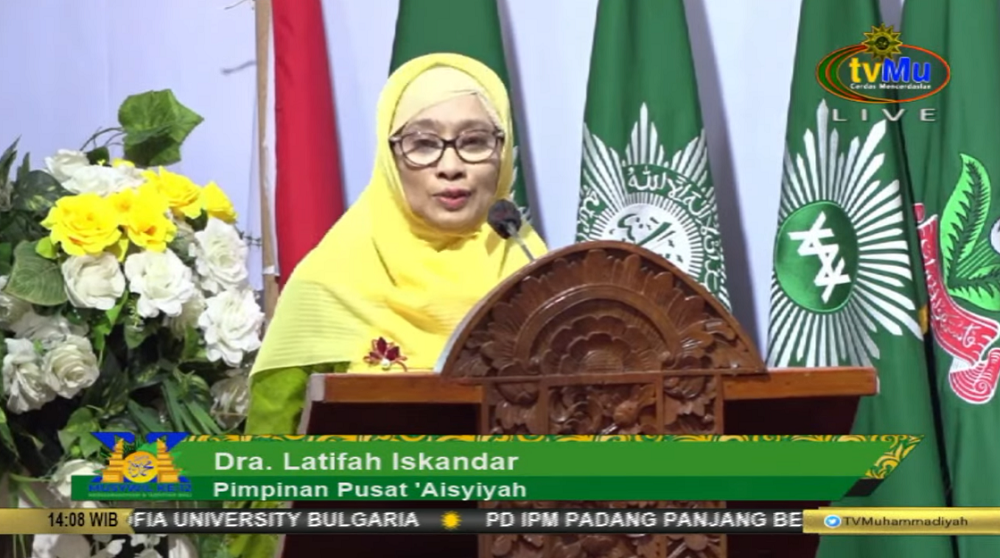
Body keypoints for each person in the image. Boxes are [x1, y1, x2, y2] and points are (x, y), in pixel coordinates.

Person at [243, 52, 547, 437]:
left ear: (502, 153)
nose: (451, 166)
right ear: (390, 158)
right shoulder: (327, 283)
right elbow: (262, 460)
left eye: (474, 141)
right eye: (424, 144)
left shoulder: (539, 279)